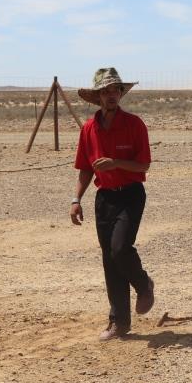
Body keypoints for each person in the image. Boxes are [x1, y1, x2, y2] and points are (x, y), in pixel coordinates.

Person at [71, 67, 155, 341]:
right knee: (109, 259)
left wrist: (117, 162)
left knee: (120, 249)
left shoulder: (134, 124)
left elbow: (143, 164)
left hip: (130, 194)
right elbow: (85, 168)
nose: (111, 95)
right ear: (97, 96)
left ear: (121, 94)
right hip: (104, 197)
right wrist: (76, 199)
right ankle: (119, 321)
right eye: (105, 91)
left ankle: (143, 284)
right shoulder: (89, 129)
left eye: (115, 90)